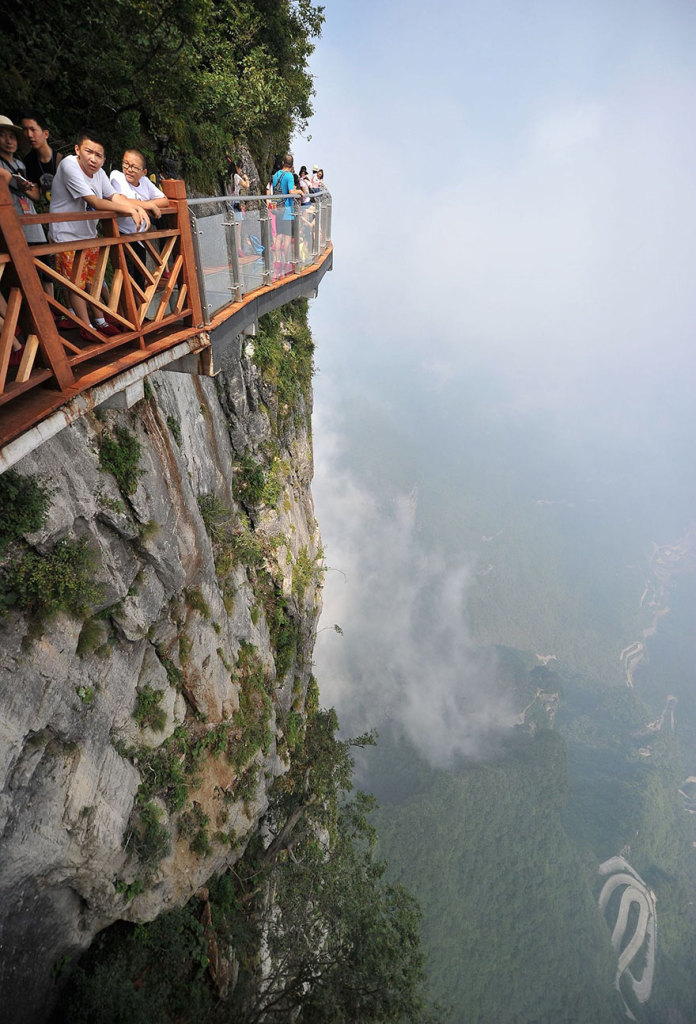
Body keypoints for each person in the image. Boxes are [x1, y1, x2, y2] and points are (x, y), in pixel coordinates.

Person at [49, 129, 150, 339]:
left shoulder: (100, 173)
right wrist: (132, 209)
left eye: (99, 155)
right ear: (78, 150)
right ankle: (88, 328)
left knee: (93, 280)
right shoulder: (69, 165)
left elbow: (113, 197)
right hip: (66, 237)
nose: (93, 159)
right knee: (75, 284)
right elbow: (94, 201)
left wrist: (137, 207)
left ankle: (100, 320)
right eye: (89, 152)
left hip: (89, 235)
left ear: (104, 159)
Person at [109, 149, 168, 289]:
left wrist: (145, 205)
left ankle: (139, 311)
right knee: (126, 282)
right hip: (121, 236)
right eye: (126, 164)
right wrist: (148, 205)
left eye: (134, 167)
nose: (129, 170)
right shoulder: (116, 176)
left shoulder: (145, 182)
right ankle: (126, 311)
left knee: (139, 281)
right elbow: (120, 199)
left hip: (139, 239)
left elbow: (164, 201)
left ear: (144, 172)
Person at [0, 115, 45, 245]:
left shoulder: (21, 164)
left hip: (32, 226)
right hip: (11, 228)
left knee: (42, 261)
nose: (8, 141)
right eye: (2, 135)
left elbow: (37, 196)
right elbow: (6, 177)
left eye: (12, 136)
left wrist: (25, 188)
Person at [271, 153, 301, 277]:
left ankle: (277, 261)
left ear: (283, 163)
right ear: (292, 165)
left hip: (278, 207)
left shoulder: (276, 175)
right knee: (287, 235)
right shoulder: (289, 176)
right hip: (287, 208)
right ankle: (287, 262)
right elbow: (291, 191)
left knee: (279, 235)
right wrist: (299, 191)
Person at [20, 111, 62, 200]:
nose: (29, 135)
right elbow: (38, 198)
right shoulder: (28, 162)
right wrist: (25, 189)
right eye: (25, 129)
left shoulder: (63, 159)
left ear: (46, 134)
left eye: (33, 129)